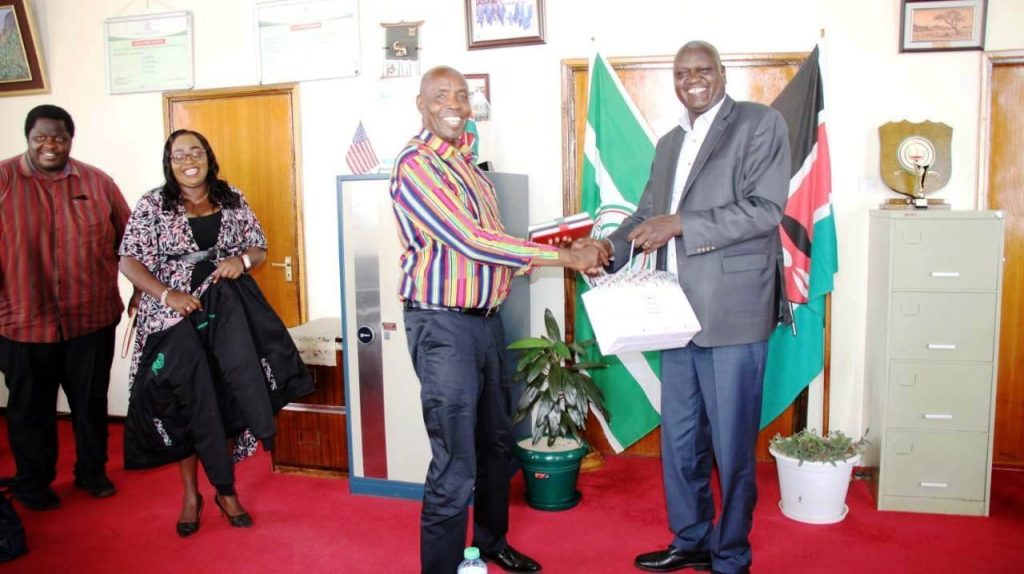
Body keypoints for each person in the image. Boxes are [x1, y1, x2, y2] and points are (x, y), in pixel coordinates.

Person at [581, 41, 791, 574]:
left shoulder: (759, 124)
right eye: (682, 73)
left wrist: (680, 225)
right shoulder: (670, 142)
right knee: (679, 440)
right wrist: (607, 250)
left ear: (722, 73)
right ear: (674, 81)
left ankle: (731, 553)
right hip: (673, 316)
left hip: (733, 314)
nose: (692, 79)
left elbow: (764, 210)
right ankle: (691, 538)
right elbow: (646, 214)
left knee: (732, 446)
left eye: (703, 69)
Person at [390, 66, 604, 574]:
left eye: (461, 96)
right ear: (420, 104)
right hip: (443, 329)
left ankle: (490, 543)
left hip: (485, 323)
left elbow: (497, 249)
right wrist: (565, 259)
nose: (453, 104)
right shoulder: (415, 165)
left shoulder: (472, 170)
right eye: (440, 95)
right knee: (455, 459)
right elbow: (471, 240)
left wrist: (556, 246)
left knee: (495, 445)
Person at [118, 129, 314, 537]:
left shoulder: (231, 197)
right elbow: (129, 261)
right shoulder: (153, 204)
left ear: (208, 156)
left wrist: (241, 260)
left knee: (224, 399)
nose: (189, 161)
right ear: (168, 163)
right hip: (172, 318)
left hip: (225, 314)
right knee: (185, 404)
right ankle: (191, 495)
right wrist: (167, 294)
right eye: (178, 155)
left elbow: (258, 247)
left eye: (196, 152)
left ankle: (225, 490)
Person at [0, 104, 131, 510]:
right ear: (28, 138)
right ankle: (33, 483)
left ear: (70, 139)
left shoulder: (98, 183)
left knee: (90, 404)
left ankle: (92, 473)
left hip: (90, 319)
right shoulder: (4, 180)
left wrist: (142, 292)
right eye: (41, 137)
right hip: (22, 320)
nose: (50, 145)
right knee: (29, 409)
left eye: (58, 137)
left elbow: (130, 243)